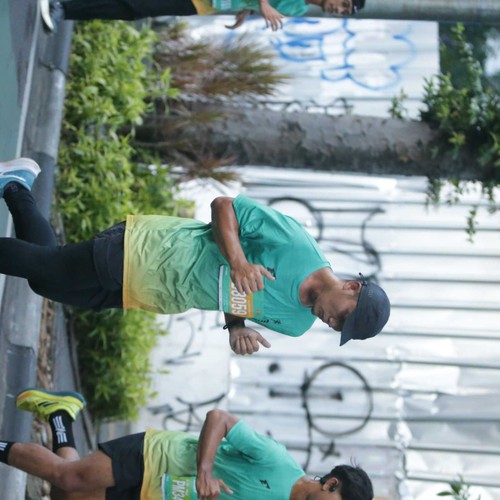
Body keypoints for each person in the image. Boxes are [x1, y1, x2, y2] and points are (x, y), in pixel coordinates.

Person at [0, 158, 390, 355]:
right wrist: (238, 261)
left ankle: (16, 186)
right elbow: (224, 206)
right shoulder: (296, 245)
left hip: (159, 294)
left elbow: (241, 296)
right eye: (343, 316)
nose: (332, 322)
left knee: (47, 281)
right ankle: (16, 186)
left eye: (339, 328)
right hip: (154, 250)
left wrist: (236, 326)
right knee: (47, 268)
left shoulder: (296, 324)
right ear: (352, 287)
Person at [1, 387, 375, 499]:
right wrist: (204, 471)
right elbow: (218, 418)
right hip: (157, 458)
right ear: (331, 484)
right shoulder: (277, 462)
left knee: (66, 494)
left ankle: (61, 415)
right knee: (69, 479)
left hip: (158, 495)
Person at [39, 0, 366, 33]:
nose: (337, 9)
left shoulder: (298, 9)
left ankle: (66, 10)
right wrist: (264, 4)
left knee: (135, 10)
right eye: (342, 3)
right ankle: (64, 6)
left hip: (210, 5)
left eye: (342, 12)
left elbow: (261, 5)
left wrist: (246, 11)